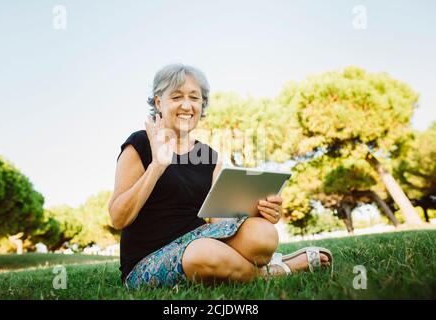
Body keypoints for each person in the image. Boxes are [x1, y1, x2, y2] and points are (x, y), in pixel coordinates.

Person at [108, 63, 333, 289]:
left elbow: (221, 223)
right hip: (148, 259)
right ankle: (275, 271)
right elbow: (118, 218)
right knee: (203, 252)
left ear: (201, 105)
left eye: (194, 98)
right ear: (159, 103)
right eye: (176, 97)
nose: (187, 105)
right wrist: (157, 166)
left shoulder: (209, 157)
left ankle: (251, 264)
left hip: (198, 240)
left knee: (263, 234)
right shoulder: (139, 144)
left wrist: (263, 213)